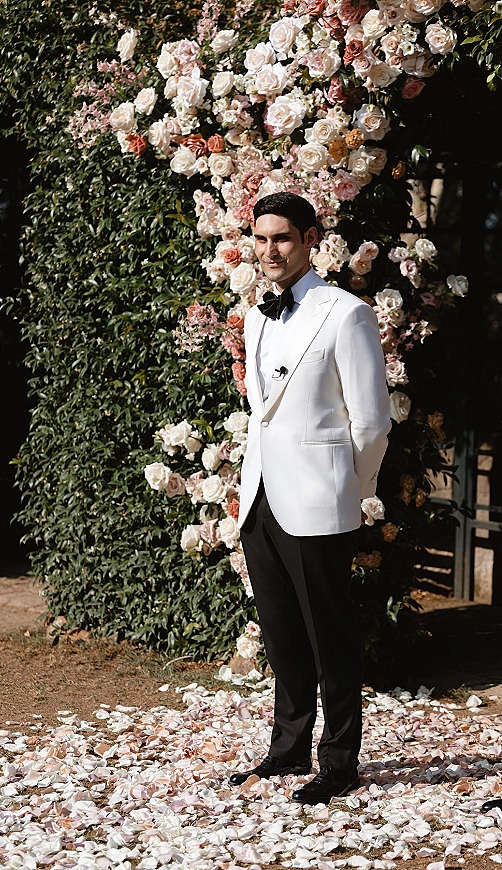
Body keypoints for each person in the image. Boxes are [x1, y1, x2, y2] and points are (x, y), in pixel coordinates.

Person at [228, 192, 390, 805]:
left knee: (331, 635)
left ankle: (340, 761)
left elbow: (371, 421)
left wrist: (352, 488)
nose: (269, 251)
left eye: (283, 239)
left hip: (321, 497)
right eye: (261, 238)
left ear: (310, 239)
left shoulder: (346, 314)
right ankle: (288, 747)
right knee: (282, 634)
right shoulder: (256, 313)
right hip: (262, 497)